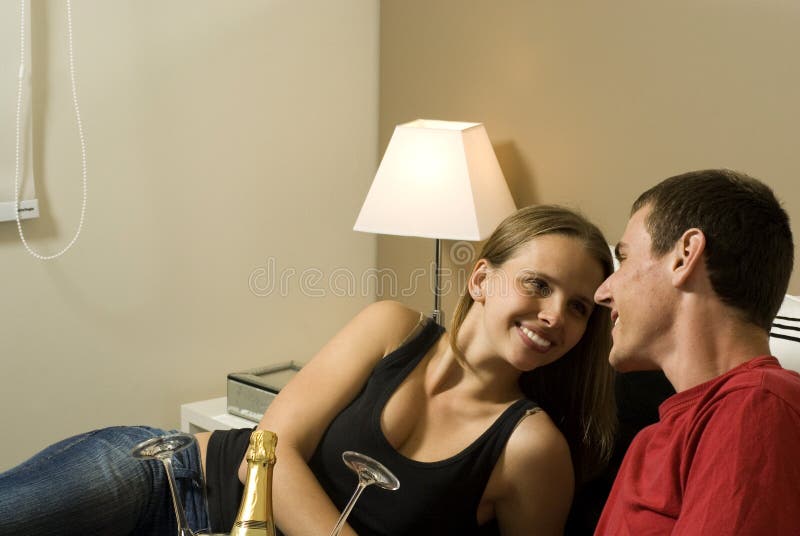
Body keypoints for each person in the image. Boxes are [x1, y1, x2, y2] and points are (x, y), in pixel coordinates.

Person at [0, 205, 617, 535]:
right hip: (171, 481)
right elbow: (263, 450)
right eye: (538, 284)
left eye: (579, 307)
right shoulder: (392, 327)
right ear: (481, 278)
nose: (554, 315)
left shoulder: (530, 448)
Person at [592, 169, 800, 534]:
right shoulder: (649, 442)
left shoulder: (757, 404)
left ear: (684, 255)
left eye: (623, 260)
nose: (603, 292)